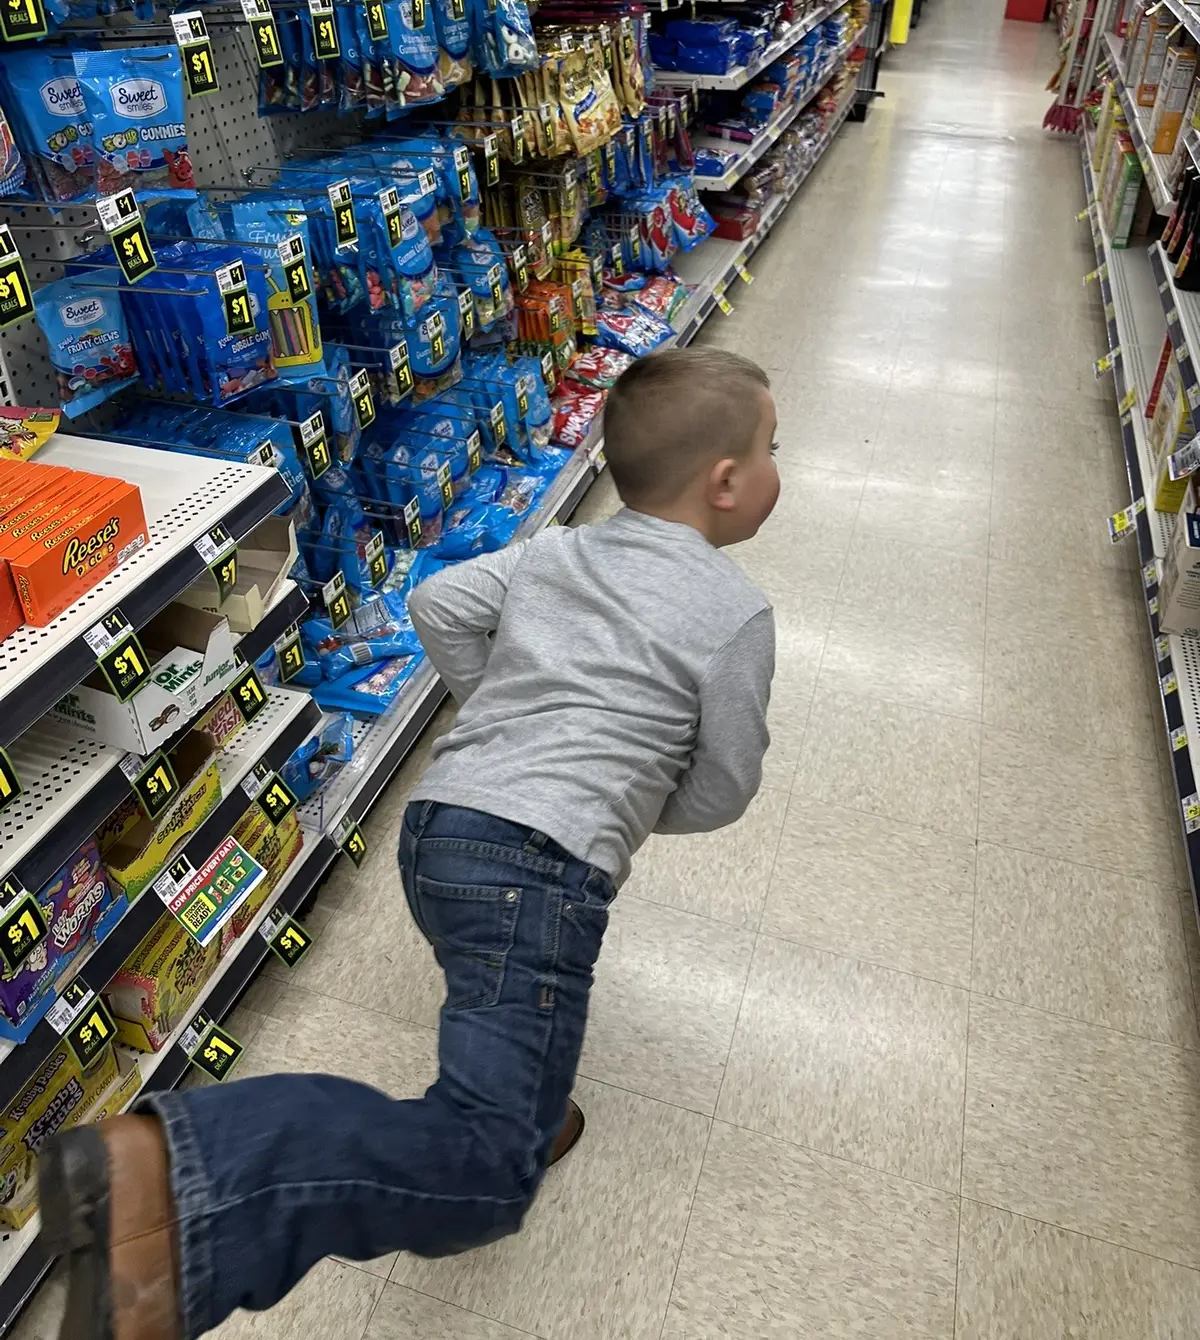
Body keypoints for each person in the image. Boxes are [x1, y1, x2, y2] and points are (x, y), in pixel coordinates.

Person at [39, 346, 780, 1340]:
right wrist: (626, 794)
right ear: (726, 482)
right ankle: (184, 1175)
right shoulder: (736, 612)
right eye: (778, 447)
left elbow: (438, 604)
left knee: (502, 979)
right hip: (539, 869)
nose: (783, 466)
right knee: (488, 1174)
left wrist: (503, 723)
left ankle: (529, 1098)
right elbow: (725, 785)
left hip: (442, 829)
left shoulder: (561, 551)